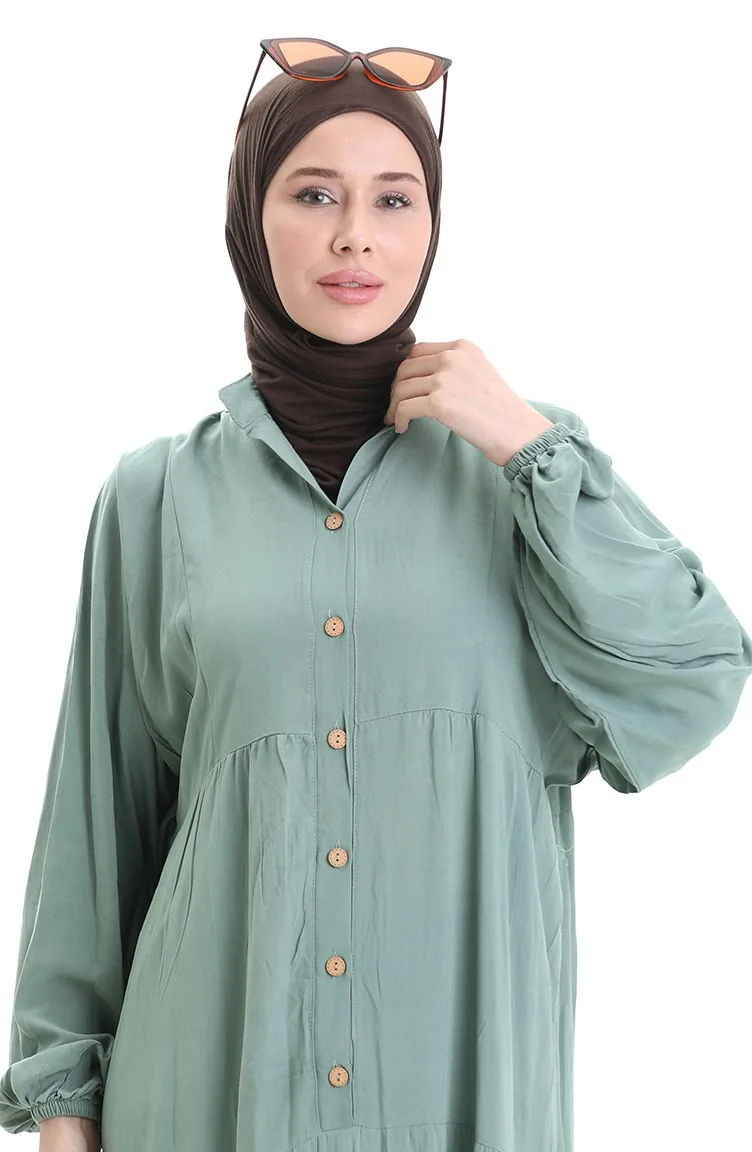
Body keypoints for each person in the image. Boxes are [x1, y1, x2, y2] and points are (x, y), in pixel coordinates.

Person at [1, 40, 751, 1152]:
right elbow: (97, 820)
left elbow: (691, 678)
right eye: (315, 194)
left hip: (459, 1097)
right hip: (206, 1098)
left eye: (394, 198)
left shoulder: (524, 477)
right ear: (250, 221)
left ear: (430, 227)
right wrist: (64, 1104)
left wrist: (528, 449)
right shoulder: (155, 496)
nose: (356, 234)